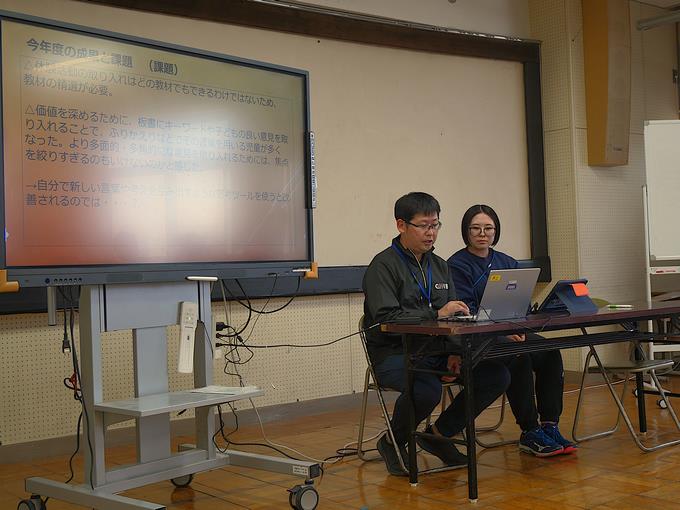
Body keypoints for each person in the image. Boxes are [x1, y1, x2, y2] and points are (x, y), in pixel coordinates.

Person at [362, 192, 511, 476]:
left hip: (437, 352)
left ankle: (439, 435)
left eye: (435, 225)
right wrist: (435, 314)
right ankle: (393, 442)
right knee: (426, 389)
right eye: (423, 226)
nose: (430, 233)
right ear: (401, 225)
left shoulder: (440, 266)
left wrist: (455, 351)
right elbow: (386, 318)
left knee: (495, 375)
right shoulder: (383, 266)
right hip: (394, 354)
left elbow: (454, 316)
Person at [448, 204, 577, 456]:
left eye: (488, 228)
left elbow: (522, 302)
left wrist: (519, 324)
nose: (482, 234)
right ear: (466, 231)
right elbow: (466, 311)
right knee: (520, 354)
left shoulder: (507, 262)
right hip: (479, 338)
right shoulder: (456, 265)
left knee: (549, 351)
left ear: (496, 231)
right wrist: (501, 331)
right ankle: (529, 430)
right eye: (475, 228)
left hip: (513, 329)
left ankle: (549, 425)